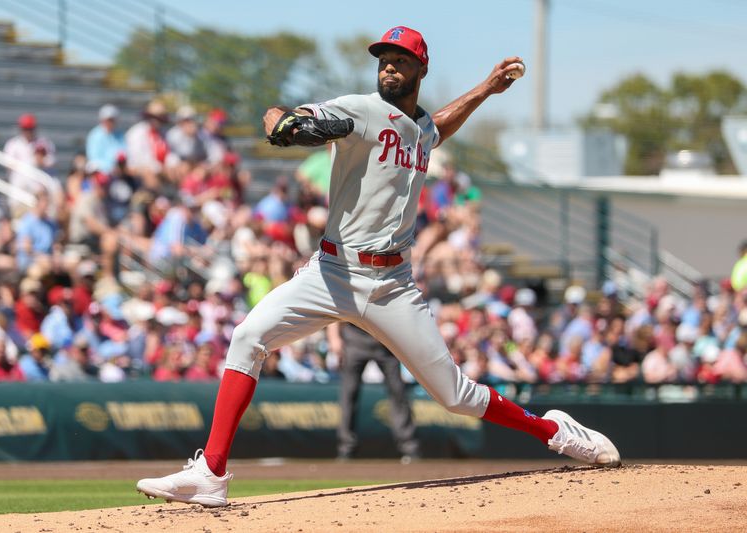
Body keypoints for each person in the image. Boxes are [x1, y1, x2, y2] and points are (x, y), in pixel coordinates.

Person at [137, 25, 620, 508]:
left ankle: (552, 430)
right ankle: (211, 473)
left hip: (392, 284)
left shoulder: (420, 129)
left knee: (455, 396)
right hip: (331, 272)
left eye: (401, 59)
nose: (389, 65)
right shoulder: (362, 109)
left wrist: (485, 89)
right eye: (384, 59)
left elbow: (436, 128)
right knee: (247, 336)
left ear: (420, 69)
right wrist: (285, 120)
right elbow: (300, 118)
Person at [330, 322, 420, 461]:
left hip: (385, 342)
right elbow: (336, 306)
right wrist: (334, 337)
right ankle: (345, 449)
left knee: (398, 392)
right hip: (355, 339)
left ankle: (409, 448)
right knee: (348, 394)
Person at [86, 104, 126, 174]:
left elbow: (124, 152)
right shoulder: (95, 135)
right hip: (100, 171)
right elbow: (94, 158)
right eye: (108, 120)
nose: (109, 123)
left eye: (112, 120)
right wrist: (110, 167)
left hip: (118, 171)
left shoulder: (120, 135)